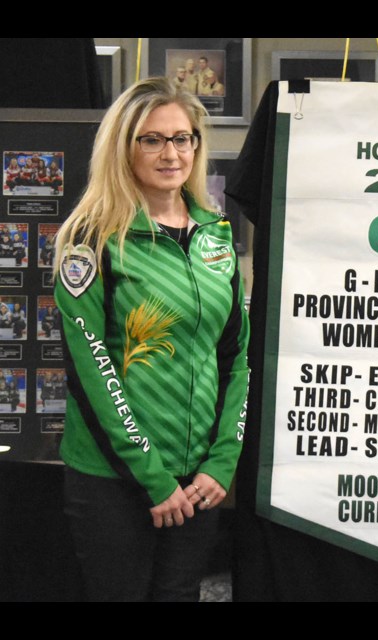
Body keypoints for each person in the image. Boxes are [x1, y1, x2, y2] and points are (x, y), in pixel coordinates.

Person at [53, 76, 250, 602]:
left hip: (197, 479)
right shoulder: (92, 240)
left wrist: (222, 460)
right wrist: (152, 476)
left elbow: (234, 357)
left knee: (180, 594)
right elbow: (90, 369)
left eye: (182, 138)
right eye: (152, 139)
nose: (171, 153)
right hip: (113, 481)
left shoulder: (216, 236)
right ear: (124, 146)